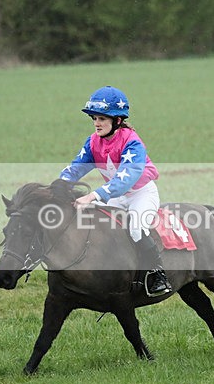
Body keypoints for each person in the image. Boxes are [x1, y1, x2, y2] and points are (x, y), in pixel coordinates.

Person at [60, 86, 172, 296]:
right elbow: (76, 167)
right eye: (94, 118)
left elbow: (124, 180)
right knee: (93, 222)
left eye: (102, 118)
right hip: (115, 196)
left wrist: (93, 195)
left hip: (140, 194)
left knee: (136, 228)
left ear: (117, 120)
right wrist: (58, 185)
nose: (96, 123)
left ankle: (158, 275)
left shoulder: (132, 143)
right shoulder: (93, 141)